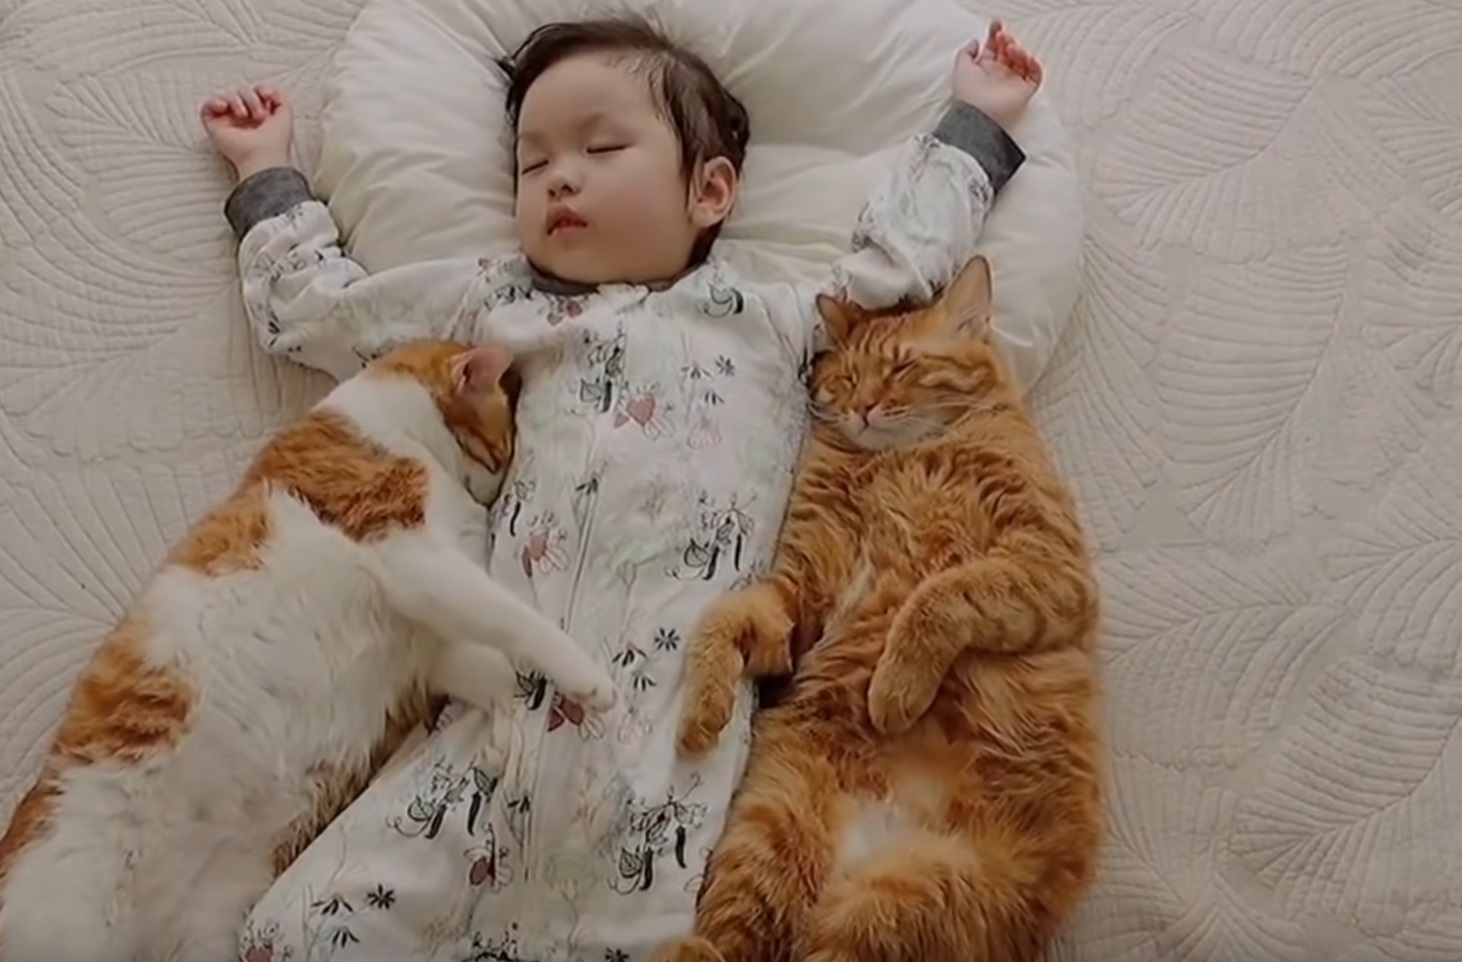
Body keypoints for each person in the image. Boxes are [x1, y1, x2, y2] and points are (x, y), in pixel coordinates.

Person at [201, 16, 1043, 961]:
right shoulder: (503, 304)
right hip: (494, 728)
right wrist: (266, 176)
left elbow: (903, 263)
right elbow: (329, 314)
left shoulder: (772, 319)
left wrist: (977, 122)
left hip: (673, 761)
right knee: (291, 937)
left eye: (602, 148)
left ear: (711, 191)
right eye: (532, 165)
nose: (560, 175)